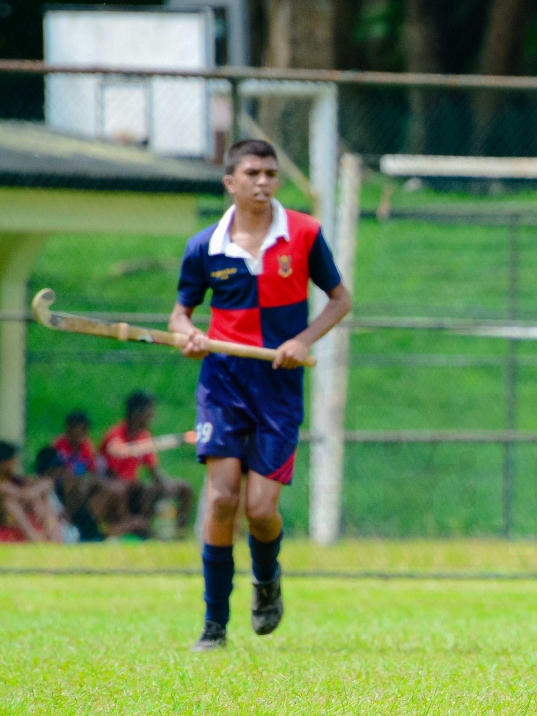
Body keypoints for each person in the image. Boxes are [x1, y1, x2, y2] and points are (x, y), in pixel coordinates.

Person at [169, 139, 351, 651]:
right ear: (230, 182)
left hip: (277, 387)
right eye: (252, 173)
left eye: (271, 173)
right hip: (223, 383)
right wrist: (188, 336)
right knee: (222, 497)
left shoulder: (304, 234)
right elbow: (180, 314)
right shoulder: (204, 246)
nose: (264, 182)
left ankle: (267, 580)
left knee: (261, 509)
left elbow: (340, 300)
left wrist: (302, 340)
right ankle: (214, 625)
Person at [100, 391, 196, 538]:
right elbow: (110, 473)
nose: (152, 416)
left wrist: (166, 484)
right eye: (150, 412)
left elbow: (153, 470)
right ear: (136, 413)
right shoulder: (115, 435)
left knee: (183, 487)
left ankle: (179, 535)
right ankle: (138, 528)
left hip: (136, 487)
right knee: (140, 489)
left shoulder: (144, 436)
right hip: (117, 487)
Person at [0, 441, 62, 543]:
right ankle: (33, 536)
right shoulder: (3, 484)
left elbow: (28, 492)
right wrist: (34, 491)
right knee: (10, 503)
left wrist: (36, 494)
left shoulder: (15, 479)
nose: (14, 463)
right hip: (4, 519)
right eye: (12, 460)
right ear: (5, 463)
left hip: (24, 513)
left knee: (42, 501)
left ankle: (54, 539)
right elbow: (23, 495)